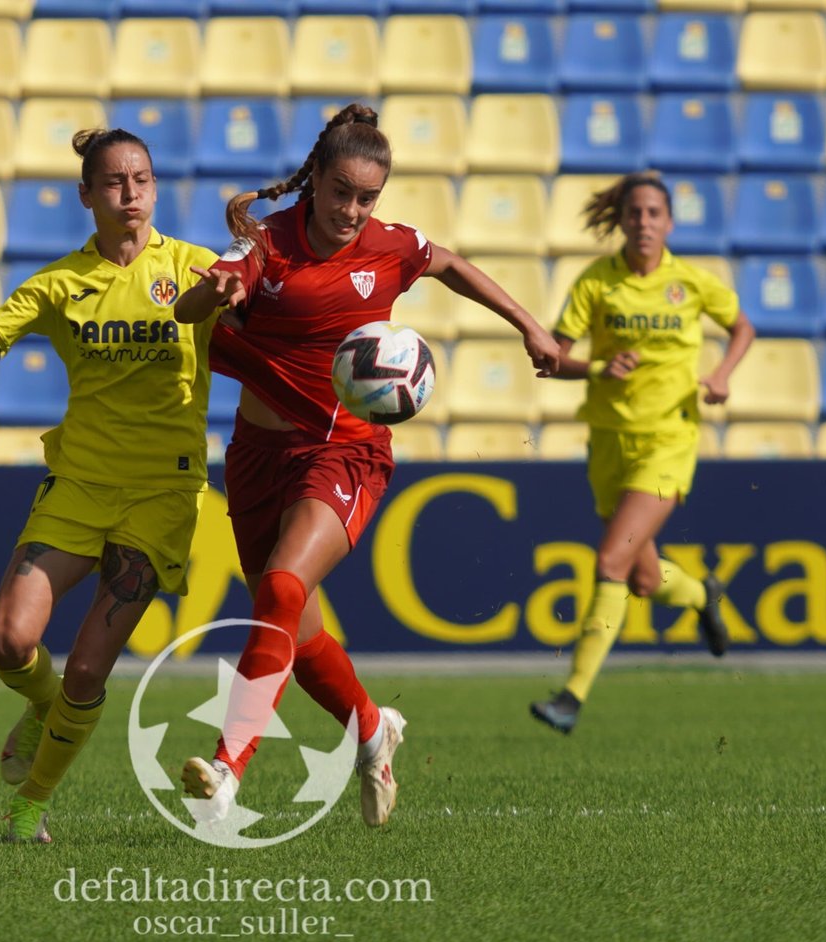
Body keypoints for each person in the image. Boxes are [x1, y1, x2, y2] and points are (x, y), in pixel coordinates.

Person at [173, 103, 561, 827]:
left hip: (346, 451)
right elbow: (197, 299)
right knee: (300, 625)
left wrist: (530, 327)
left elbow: (449, 265)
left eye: (367, 197)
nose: (353, 209)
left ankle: (229, 770)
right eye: (342, 191)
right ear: (314, 180)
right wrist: (213, 293)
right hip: (256, 457)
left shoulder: (389, 246)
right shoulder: (265, 246)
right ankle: (373, 730)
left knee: (282, 588)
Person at [0, 128, 221, 844]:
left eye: (143, 180)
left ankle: (30, 804)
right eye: (116, 182)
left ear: (155, 188)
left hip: (161, 491)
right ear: (87, 195)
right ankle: (40, 708)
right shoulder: (59, 284)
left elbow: (272, 319)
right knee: (8, 639)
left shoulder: (197, 271)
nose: (131, 193)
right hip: (79, 482)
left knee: (90, 667)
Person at [529, 171, 755, 733]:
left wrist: (723, 374)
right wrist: (598, 367)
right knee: (642, 580)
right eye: (636, 213)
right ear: (623, 221)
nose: (645, 223)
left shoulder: (692, 283)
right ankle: (704, 594)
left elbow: (743, 327)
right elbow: (553, 359)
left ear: (669, 222)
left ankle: (571, 698)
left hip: (669, 440)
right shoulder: (597, 283)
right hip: (608, 441)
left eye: (655, 213)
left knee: (609, 561)